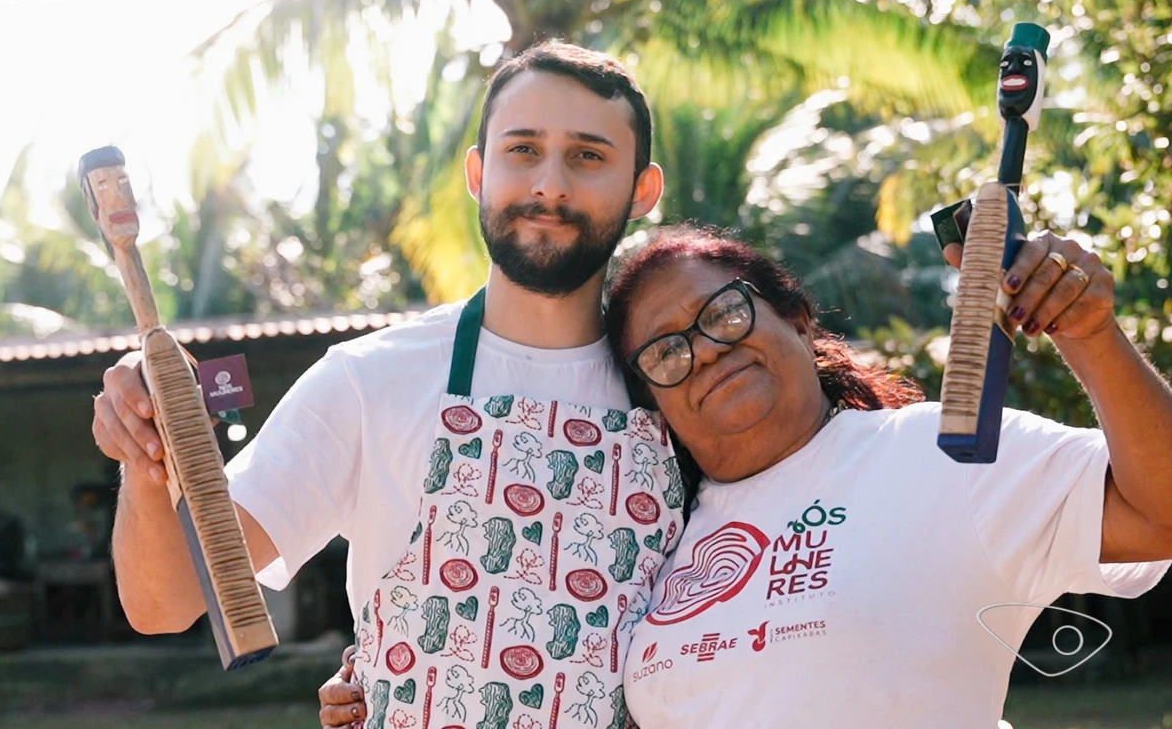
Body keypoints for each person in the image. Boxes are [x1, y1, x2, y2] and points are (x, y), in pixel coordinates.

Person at [314, 207, 1172, 727]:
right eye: (666, 352)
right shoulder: (660, 544)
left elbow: (1158, 511)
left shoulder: (943, 453)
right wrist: (395, 692)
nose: (705, 353)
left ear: (796, 318)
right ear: (652, 401)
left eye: (723, 314)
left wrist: (1090, 335)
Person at [93, 41, 691, 729]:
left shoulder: (680, 391)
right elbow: (165, 602)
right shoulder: (367, 381)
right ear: (478, 172)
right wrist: (143, 457)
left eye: (587, 155)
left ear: (642, 190)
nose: (549, 184)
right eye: (522, 149)